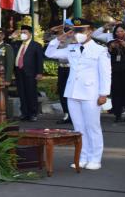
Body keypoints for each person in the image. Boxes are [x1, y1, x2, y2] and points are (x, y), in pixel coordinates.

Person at [45, 17, 111, 170]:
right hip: (73, 92)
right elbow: (49, 53)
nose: (78, 33)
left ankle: (95, 158)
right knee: (78, 128)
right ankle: (82, 157)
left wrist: (103, 94)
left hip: (91, 93)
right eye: (75, 30)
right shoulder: (72, 48)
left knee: (92, 126)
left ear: (90, 31)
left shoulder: (100, 50)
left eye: (81, 30)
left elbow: (106, 74)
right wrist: (59, 38)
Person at [10, 25, 44, 122]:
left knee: (31, 93)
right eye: (22, 32)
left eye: (25, 32)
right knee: (22, 93)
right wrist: (12, 37)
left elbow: (39, 60)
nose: (23, 34)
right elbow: (8, 46)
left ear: (30, 34)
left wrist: (39, 73)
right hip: (18, 72)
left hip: (30, 72)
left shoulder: (36, 45)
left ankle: (33, 113)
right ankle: (24, 113)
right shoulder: (17, 44)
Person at [45, 23, 74, 124]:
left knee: (72, 92)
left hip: (72, 68)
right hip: (62, 68)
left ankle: (73, 114)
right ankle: (66, 113)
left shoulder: (75, 39)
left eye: (70, 28)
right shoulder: (59, 37)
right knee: (62, 91)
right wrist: (53, 29)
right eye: (66, 27)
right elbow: (46, 38)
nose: (68, 30)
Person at [105, 24, 125, 122]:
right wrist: (111, 48)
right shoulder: (112, 42)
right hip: (115, 71)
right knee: (116, 93)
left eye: (121, 31)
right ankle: (117, 114)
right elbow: (107, 56)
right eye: (117, 32)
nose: (119, 33)